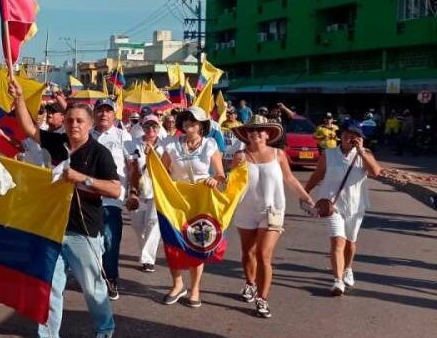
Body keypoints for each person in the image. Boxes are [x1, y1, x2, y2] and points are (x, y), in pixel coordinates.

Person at [9, 78, 120, 338]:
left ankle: (105, 327)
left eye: (80, 121)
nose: (73, 125)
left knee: (93, 287)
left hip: (84, 232)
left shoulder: (99, 153)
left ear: (90, 123)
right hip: (53, 228)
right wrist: (20, 98)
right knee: (51, 285)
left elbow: (115, 189)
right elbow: (30, 129)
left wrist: (83, 179)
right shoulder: (58, 142)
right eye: (70, 120)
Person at [231, 116, 315, 318]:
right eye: (252, 130)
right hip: (246, 210)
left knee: (263, 254)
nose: (256, 133)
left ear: (268, 134)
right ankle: (250, 283)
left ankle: (262, 298)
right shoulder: (240, 156)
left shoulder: (278, 154)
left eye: (261, 130)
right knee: (247, 253)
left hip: (272, 210)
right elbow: (231, 185)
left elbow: (290, 178)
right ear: (247, 134)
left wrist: (308, 199)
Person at [304, 120, 381, 296]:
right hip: (331, 205)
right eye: (347, 133)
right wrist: (305, 192)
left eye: (355, 135)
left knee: (350, 242)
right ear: (341, 135)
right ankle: (338, 281)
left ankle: (348, 268)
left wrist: (361, 152)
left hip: (356, 206)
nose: (350, 137)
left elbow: (376, 171)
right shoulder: (329, 154)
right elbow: (318, 175)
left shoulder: (364, 155)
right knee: (338, 241)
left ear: (360, 138)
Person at [160, 106, 226, 307]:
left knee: (198, 243)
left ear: (202, 126)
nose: (189, 122)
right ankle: (177, 284)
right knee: (173, 244)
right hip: (176, 202)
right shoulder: (171, 145)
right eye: (186, 119)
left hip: (201, 201)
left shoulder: (210, 145)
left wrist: (215, 179)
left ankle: (195, 288)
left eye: (194, 120)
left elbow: (221, 175)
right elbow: (160, 172)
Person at [90, 98, 131, 300]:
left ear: (114, 114)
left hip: (112, 199)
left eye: (108, 111)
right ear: (94, 113)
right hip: (86, 197)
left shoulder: (123, 136)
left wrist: (133, 192)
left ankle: (111, 278)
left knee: (109, 239)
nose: (104, 114)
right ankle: (94, 276)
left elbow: (133, 165)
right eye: (100, 110)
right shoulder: (85, 135)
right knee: (88, 241)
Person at [125, 114, 164, 273]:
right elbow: (130, 167)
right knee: (137, 225)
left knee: (153, 224)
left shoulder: (165, 145)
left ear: (158, 128)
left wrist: (154, 156)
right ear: (142, 127)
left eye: (154, 126)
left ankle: (148, 259)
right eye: (147, 126)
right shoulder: (131, 144)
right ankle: (145, 251)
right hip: (137, 190)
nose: (151, 129)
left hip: (157, 191)